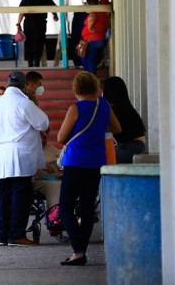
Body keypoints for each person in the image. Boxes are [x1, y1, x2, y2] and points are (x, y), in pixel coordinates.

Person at [57, 71, 121, 265]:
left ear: (77, 89)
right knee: (86, 208)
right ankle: (81, 251)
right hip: (96, 163)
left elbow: (60, 138)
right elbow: (117, 129)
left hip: (76, 162)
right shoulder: (104, 105)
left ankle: (78, 251)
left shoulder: (75, 109)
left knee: (66, 207)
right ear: (94, 87)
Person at [0, 71, 49, 246]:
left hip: (1, 157)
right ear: (23, 86)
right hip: (20, 156)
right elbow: (43, 123)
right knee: (20, 197)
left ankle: (3, 236)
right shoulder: (24, 103)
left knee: (4, 197)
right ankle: (17, 235)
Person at [102, 76, 146, 163]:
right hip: (137, 146)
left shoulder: (116, 109)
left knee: (101, 161)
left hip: (130, 147)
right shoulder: (125, 106)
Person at [17, 0, 59, 67]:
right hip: (40, 24)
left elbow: (21, 11)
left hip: (28, 23)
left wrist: (18, 23)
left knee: (28, 43)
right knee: (38, 43)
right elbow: (53, 7)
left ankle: (30, 63)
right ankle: (36, 63)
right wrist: (55, 14)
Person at [32, 130, 63, 236]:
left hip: (56, 178)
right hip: (38, 180)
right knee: (56, 185)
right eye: (40, 137)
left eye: (45, 137)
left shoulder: (53, 150)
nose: (42, 140)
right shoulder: (29, 150)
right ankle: (54, 217)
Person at [81, 0, 110, 74]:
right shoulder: (103, 12)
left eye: (87, 4)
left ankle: (89, 78)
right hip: (100, 39)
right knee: (92, 59)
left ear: (90, 4)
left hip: (92, 40)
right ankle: (89, 76)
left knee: (89, 60)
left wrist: (90, 28)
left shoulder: (93, 12)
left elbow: (92, 17)